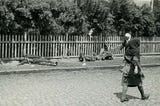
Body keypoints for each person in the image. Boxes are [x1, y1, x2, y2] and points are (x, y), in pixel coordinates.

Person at [119, 33, 149, 102]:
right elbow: (135, 59)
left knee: (125, 82)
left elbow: (126, 56)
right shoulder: (135, 50)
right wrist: (136, 68)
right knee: (139, 82)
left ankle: (123, 97)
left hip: (126, 67)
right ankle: (143, 96)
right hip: (133, 67)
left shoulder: (127, 50)